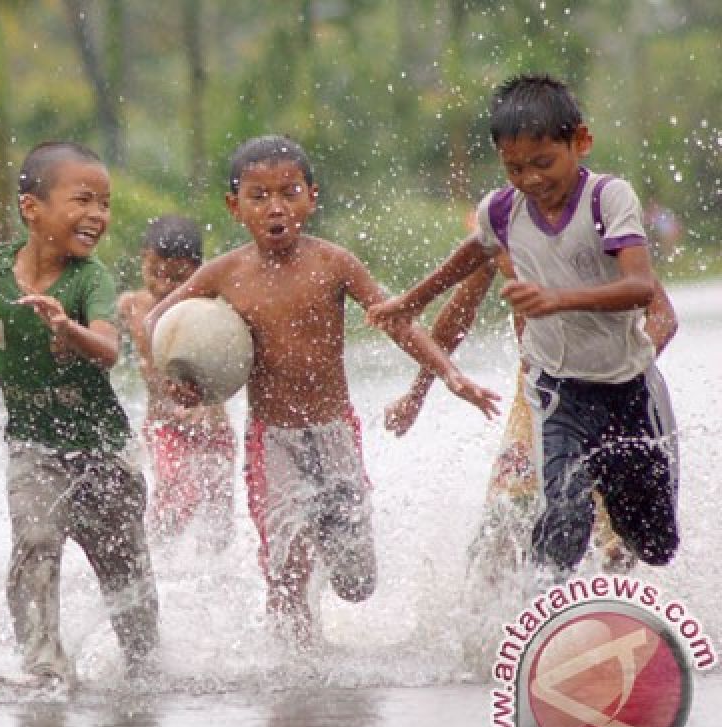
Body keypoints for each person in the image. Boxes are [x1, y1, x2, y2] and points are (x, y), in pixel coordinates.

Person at [144, 134, 500, 644]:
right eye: (259, 196)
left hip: (335, 434)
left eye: (289, 193)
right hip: (273, 440)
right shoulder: (225, 273)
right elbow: (162, 316)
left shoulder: (333, 263)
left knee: (356, 581)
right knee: (287, 561)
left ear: (311, 197)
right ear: (235, 206)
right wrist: (178, 378)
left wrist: (450, 374)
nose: (275, 208)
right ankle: (297, 671)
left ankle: (329, 612)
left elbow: (397, 322)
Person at [367, 73, 679, 578]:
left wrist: (629, 356)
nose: (532, 179)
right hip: (545, 392)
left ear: (579, 142)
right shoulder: (504, 219)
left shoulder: (606, 211)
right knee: (526, 524)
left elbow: (656, 306)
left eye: (542, 163)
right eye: (515, 167)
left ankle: (611, 625)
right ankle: (521, 625)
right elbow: (456, 313)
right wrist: (421, 378)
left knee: (634, 541)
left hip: (621, 387)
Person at [0, 141, 159, 688]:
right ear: (32, 208)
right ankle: (44, 667)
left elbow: (109, 351)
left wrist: (66, 328)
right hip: (32, 446)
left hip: (103, 451)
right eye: (83, 200)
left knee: (124, 573)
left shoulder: (90, 280)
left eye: (104, 204)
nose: (98, 216)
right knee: (34, 543)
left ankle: (147, 669)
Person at [377, 247, 678, 583]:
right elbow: (460, 313)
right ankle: (498, 624)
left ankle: (606, 616)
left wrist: (620, 369)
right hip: (540, 395)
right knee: (502, 529)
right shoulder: (499, 227)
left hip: (612, 391)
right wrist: (417, 394)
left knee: (616, 543)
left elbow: (663, 316)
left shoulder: (598, 217)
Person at [117, 215, 236, 548]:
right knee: (173, 490)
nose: (165, 286)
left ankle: (215, 575)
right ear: (143, 259)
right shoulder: (131, 308)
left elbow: (233, 359)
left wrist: (208, 403)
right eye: (157, 273)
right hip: (164, 426)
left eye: (178, 278)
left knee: (218, 513)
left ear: (198, 271)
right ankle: (155, 556)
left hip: (213, 430)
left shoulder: (208, 308)